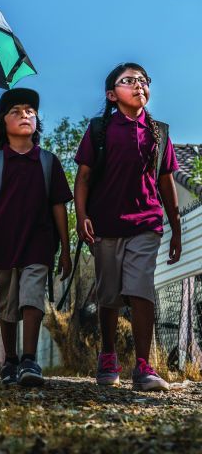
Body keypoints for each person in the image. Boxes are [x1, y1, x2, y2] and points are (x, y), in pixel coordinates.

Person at [74, 63, 181, 391]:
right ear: (111, 94)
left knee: (140, 289)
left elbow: (166, 182)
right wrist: (81, 217)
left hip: (146, 224)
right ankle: (108, 355)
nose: (138, 86)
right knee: (109, 294)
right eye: (128, 81)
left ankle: (144, 365)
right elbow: (83, 178)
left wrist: (176, 227)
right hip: (105, 225)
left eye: (143, 81)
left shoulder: (159, 133)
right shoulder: (99, 130)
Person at [0, 88, 72, 387]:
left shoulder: (48, 162)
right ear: (3, 122)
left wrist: (65, 251)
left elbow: (58, 207)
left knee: (32, 296)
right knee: (6, 301)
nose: (25, 115)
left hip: (38, 242)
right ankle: (10, 361)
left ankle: (30, 360)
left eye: (30, 110)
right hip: (2, 245)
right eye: (16, 111)